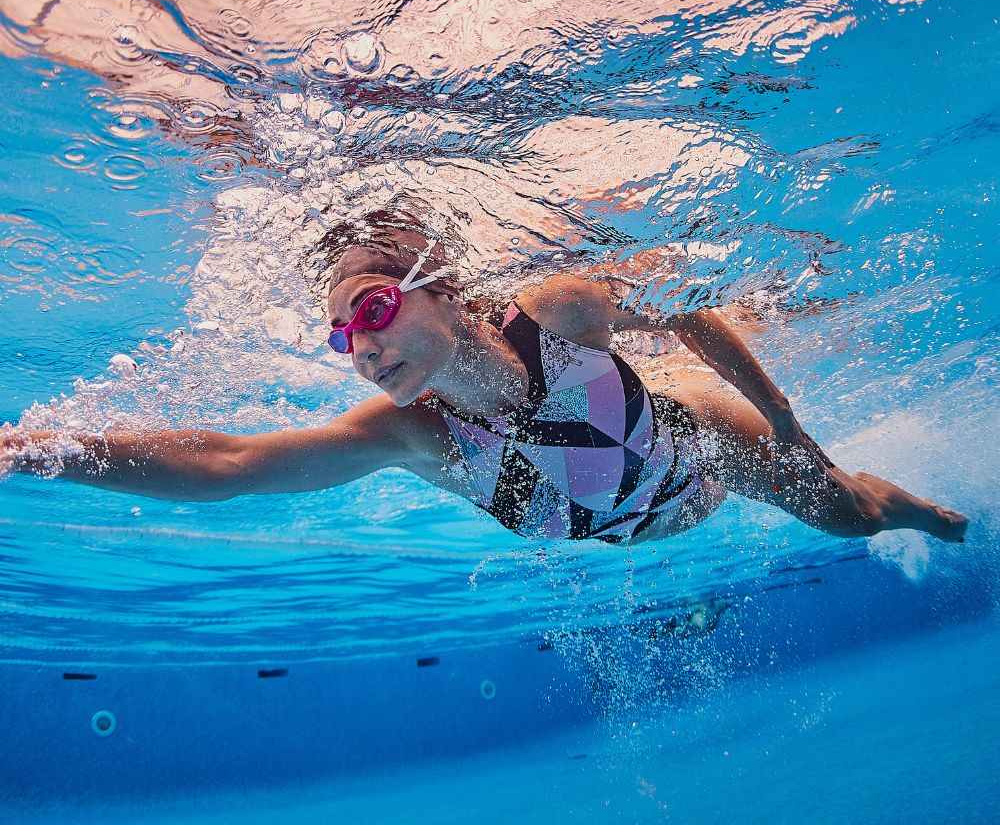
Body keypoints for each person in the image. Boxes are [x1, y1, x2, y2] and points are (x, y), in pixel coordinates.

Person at [1, 228, 968, 546]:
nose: (360, 346)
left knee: (846, 514)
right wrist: (42, 451)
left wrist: (786, 421)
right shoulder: (413, 434)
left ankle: (948, 524)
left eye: (373, 310)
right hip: (642, 521)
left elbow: (685, 310)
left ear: (445, 293)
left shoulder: (553, 313)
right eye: (342, 332)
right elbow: (231, 462)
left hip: (699, 447)